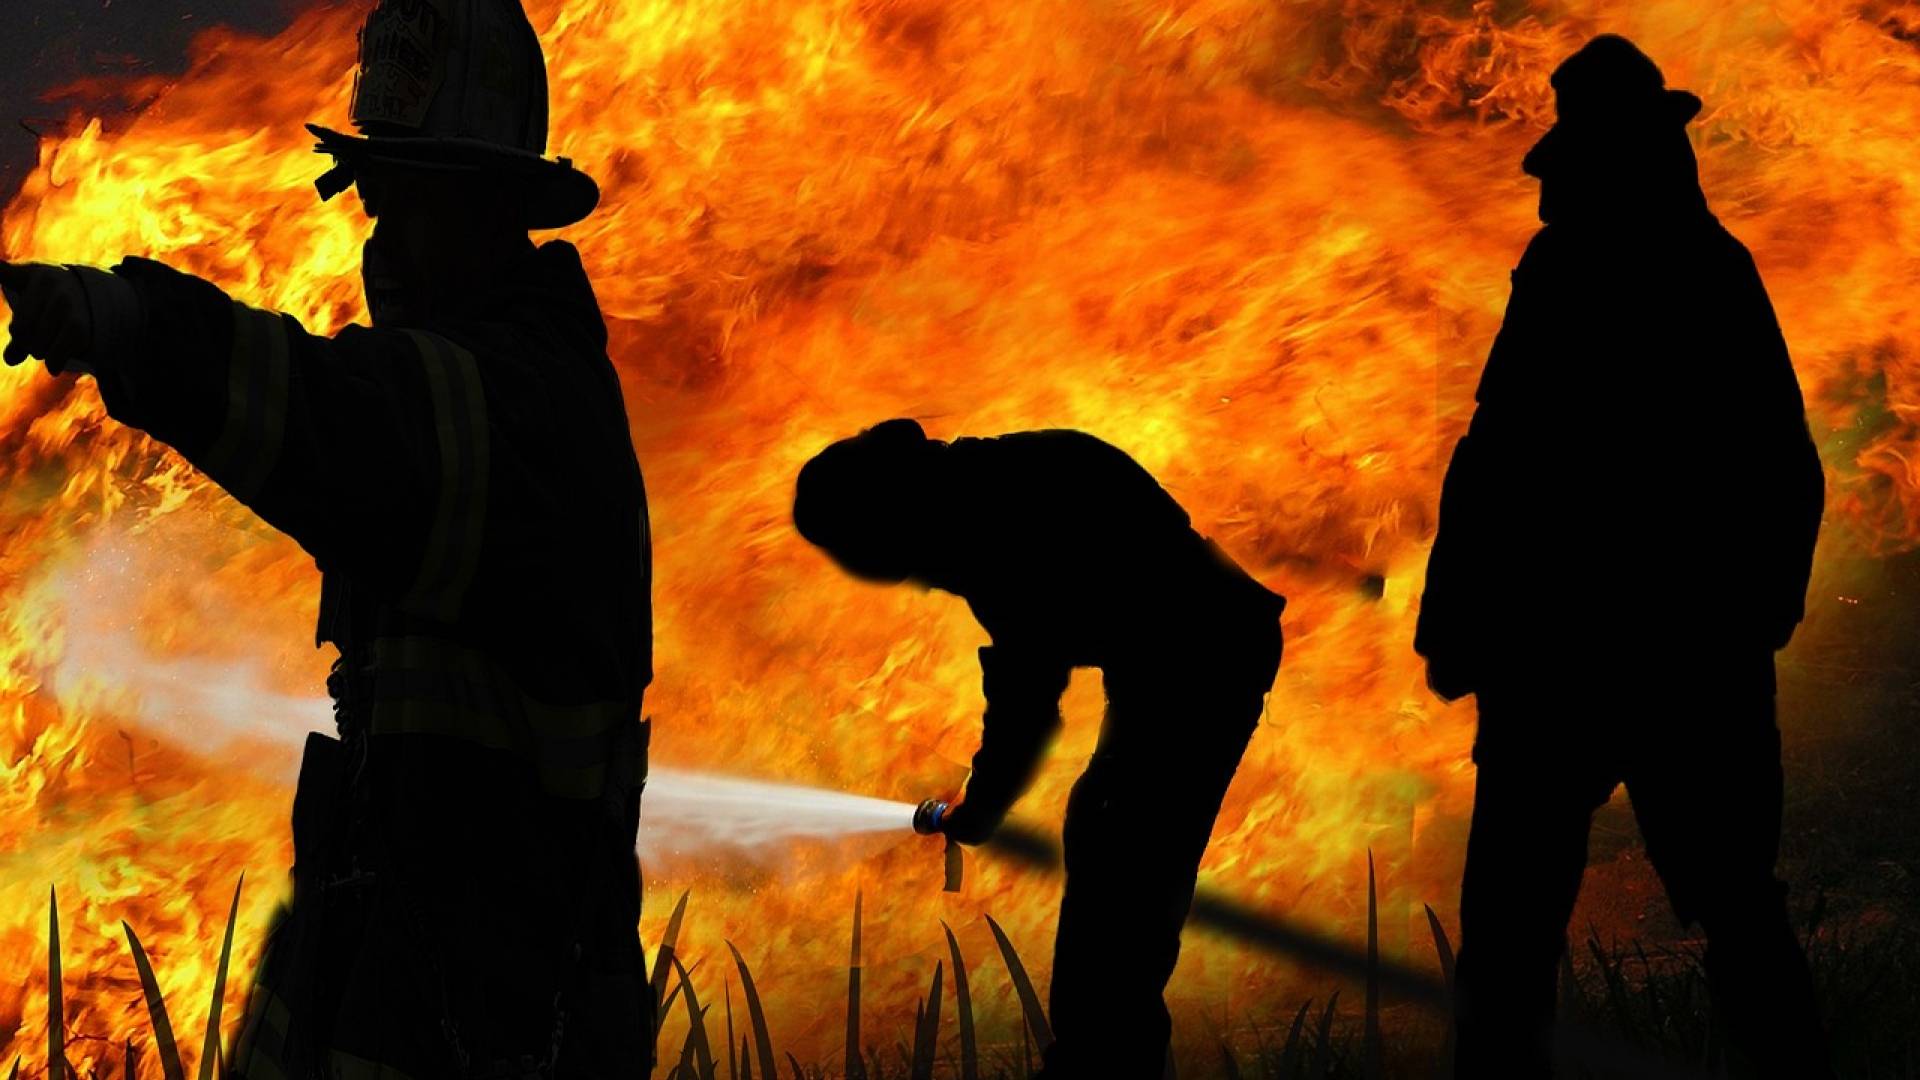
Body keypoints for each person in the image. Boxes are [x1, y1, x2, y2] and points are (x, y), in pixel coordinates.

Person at [0, 1, 654, 1075]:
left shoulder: (520, 408)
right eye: (373, 204)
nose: (380, 249)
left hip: (502, 1027)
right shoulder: (502, 385)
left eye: (413, 206)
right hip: (430, 977)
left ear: (495, 212)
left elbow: (333, 417)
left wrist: (134, 326)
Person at [1414, 35, 1832, 1079]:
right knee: (1572, 925)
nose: (1553, 191)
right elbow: (1499, 457)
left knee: (1542, 928)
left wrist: (1746, 618)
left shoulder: (1662, 272)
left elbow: (1500, 460)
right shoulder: (1627, 267)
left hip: (1617, 652)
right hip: (1616, 653)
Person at [793, 419, 1285, 1077]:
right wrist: (984, 798)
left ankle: (1100, 1062)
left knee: (1123, 863)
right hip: (1181, 657)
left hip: (1203, 658)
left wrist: (982, 807)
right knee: (1110, 841)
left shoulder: (995, 521)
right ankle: (1104, 1054)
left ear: (890, 517)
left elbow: (1026, 698)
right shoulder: (990, 488)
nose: (912, 580)